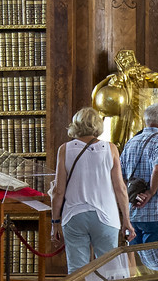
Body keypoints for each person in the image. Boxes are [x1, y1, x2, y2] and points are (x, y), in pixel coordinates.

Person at [47, 107, 135, 272]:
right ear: (98, 126)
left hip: (73, 215)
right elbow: (120, 188)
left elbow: (59, 191)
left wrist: (55, 222)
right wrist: (126, 220)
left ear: (76, 125)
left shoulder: (65, 149)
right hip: (106, 216)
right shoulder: (110, 148)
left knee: (77, 271)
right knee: (109, 269)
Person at [120, 103, 158, 244]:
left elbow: (121, 175)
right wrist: (150, 192)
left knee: (137, 261)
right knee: (157, 259)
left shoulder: (131, 142)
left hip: (133, 211)